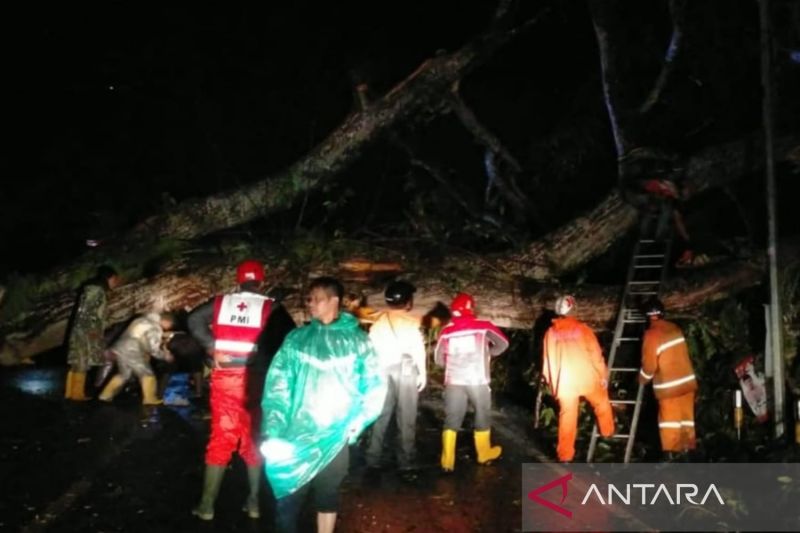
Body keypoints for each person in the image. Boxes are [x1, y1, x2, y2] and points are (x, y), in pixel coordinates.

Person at [260, 276, 386, 533]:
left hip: (335, 435)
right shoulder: (297, 339)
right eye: (309, 299)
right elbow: (278, 385)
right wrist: (274, 427)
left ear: (334, 301)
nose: (311, 304)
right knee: (288, 495)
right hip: (295, 433)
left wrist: (358, 423)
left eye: (317, 299)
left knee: (327, 496)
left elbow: (373, 385)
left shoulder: (358, 342)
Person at [188, 259, 292, 521]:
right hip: (256, 379)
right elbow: (289, 340)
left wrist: (210, 345)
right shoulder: (272, 307)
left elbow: (193, 319)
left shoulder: (221, 302)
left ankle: (207, 505)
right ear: (262, 281)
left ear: (238, 280)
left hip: (225, 377)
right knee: (252, 437)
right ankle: (254, 502)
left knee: (222, 438)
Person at [434, 292, 509, 472]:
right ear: (471, 308)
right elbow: (503, 343)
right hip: (477, 379)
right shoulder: (483, 326)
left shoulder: (446, 331)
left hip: (453, 381)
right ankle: (484, 454)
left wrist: (453, 363)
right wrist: (488, 353)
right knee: (481, 415)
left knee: (452, 418)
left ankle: (447, 461)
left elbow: (438, 359)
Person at [542, 295, 614, 463]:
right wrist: (603, 375)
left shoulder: (550, 334)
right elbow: (596, 355)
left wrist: (553, 385)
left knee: (567, 417)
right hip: (587, 378)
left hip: (565, 383)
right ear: (573, 309)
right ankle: (607, 432)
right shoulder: (583, 329)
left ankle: (565, 455)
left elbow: (547, 362)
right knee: (602, 402)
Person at [365, 280, 427, 474]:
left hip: (382, 370)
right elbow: (417, 349)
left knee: (381, 414)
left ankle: (372, 457)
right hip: (406, 370)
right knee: (406, 415)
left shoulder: (379, 321)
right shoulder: (411, 321)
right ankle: (406, 461)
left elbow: (371, 348)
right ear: (408, 301)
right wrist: (423, 373)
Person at [638, 297, 698, 459]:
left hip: (669, 388)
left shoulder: (651, 335)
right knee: (686, 420)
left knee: (669, 423)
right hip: (687, 384)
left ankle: (671, 457)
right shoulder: (675, 328)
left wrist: (641, 380)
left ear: (647, 316)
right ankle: (688, 454)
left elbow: (649, 367)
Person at [64, 265, 121, 401]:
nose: (116, 282)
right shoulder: (96, 290)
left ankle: (71, 393)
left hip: (82, 330)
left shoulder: (92, 289)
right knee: (81, 363)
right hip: (86, 331)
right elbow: (90, 314)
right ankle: (77, 395)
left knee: (77, 363)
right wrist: (94, 331)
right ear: (109, 278)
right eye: (115, 279)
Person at [98, 312, 176, 405]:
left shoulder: (141, 320)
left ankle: (105, 395)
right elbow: (152, 348)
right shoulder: (155, 327)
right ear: (167, 321)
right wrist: (165, 356)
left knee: (124, 374)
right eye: (169, 325)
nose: (167, 328)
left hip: (120, 347)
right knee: (147, 373)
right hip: (133, 350)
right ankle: (150, 399)